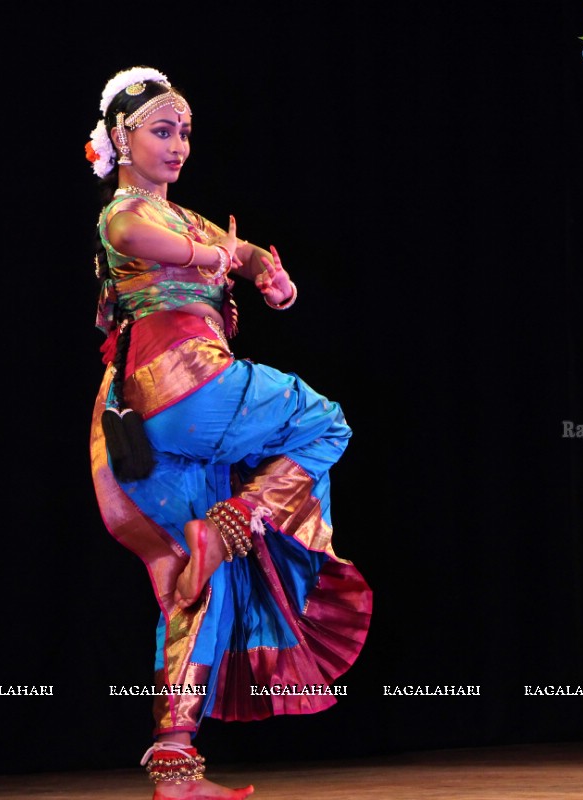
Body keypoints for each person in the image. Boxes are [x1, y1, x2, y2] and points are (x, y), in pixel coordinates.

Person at [86, 66, 372, 799]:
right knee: (323, 421)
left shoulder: (185, 215)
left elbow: (242, 256)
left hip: (156, 427)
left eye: (183, 132)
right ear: (121, 138)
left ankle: (176, 763)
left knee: (192, 587)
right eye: (160, 130)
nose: (177, 144)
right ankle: (240, 519)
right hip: (181, 389)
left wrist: (270, 276)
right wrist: (215, 258)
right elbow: (166, 244)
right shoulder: (122, 216)